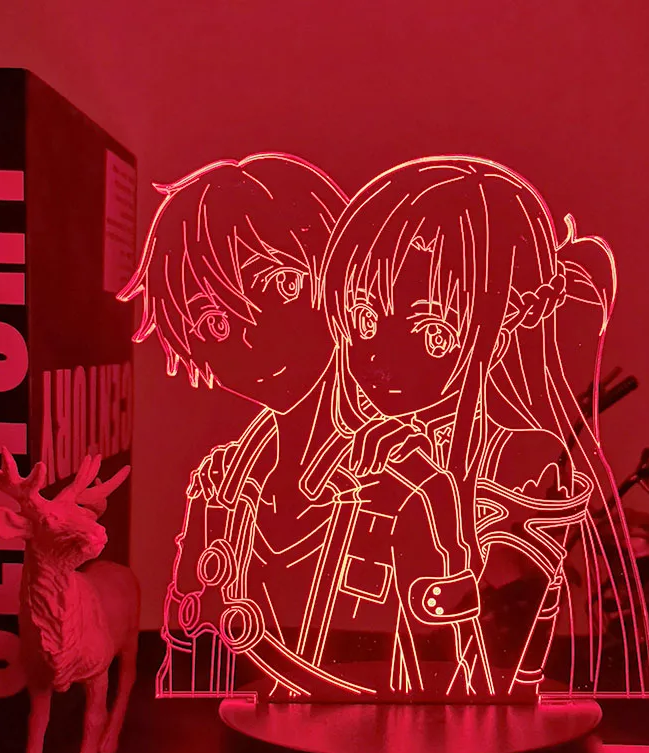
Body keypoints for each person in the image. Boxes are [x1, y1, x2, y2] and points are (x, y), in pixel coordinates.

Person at [119, 155, 492, 700]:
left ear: (345, 278)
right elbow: (190, 661)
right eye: (211, 320)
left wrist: (441, 513)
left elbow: (463, 676)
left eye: (281, 283)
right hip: (252, 740)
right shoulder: (220, 487)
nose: (250, 333)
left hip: (388, 737)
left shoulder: (408, 474)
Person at [321, 156, 649, 697]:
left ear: (503, 329)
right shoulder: (396, 436)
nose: (380, 358)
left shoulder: (523, 452)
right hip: (396, 681)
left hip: (487, 692)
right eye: (364, 318)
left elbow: (505, 599)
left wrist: (431, 492)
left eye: (432, 331)